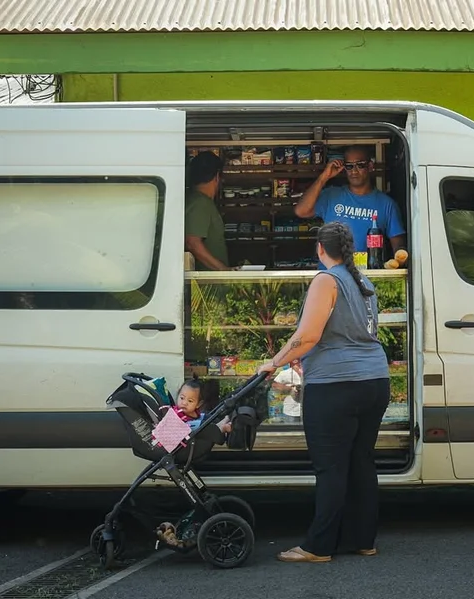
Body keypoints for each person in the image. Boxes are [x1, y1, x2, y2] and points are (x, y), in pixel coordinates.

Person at [256, 221, 391, 563]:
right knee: (361, 462)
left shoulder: (325, 280)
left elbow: (308, 335)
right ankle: (363, 540)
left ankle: (318, 547)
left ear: (320, 248)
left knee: (331, 468)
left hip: (336, 386)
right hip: (375, 381)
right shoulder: (363, 281)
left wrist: (274, 362)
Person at [294, 146, 406, 253]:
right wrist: (324, 177)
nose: (354, 171)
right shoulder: (331, 195)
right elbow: (301, 211)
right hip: (333, 272)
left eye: (360, 165)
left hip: (368, 272)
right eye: (349, 166)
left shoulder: (387, 204)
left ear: (370, 166)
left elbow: (398, 247)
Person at [185, 151, 231, 271]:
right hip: (208, 284)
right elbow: (192, 242)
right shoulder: (200, 203)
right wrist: (222, 269)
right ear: (217, 176)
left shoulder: (199, 201)